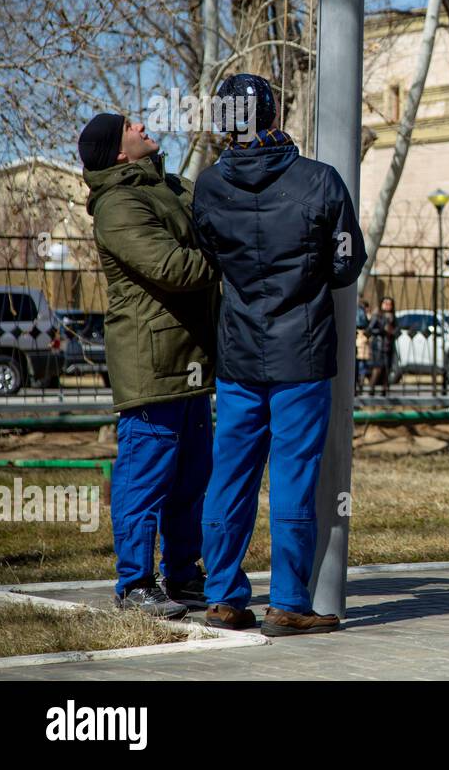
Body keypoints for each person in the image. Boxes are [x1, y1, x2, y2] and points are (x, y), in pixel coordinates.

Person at [192, 73, 367, 636]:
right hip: (303, 351)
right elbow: (345, 264)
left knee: (231, 473)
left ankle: (222, 595)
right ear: (271, 113)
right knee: (294, 475)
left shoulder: (209, 187)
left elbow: (209, 258)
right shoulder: (319, 181)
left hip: (240, 351)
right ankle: (289, 602)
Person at [79, 112, 220, 619]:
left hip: (191, 360)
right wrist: (232, 258)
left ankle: (182, 574)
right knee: (146, 477)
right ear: (119, 152)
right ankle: (135, 585)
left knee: (191, 477)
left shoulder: (168, 184)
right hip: (150, 361)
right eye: (131, 127)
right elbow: (171, 267)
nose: (143, 127)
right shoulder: (118, 204)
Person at [365, 297, 398, 397]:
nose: (387, 305)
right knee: (378, 368)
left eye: (389, 303)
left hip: (388, 345)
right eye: (385, 303)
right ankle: (371, 389)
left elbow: (397, 330)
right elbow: (369, 330)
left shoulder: (393, 317)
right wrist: (382, 331)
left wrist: (392, 332)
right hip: (378, 345)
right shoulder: (377, 316)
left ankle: (385, 391)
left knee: (387, 368)